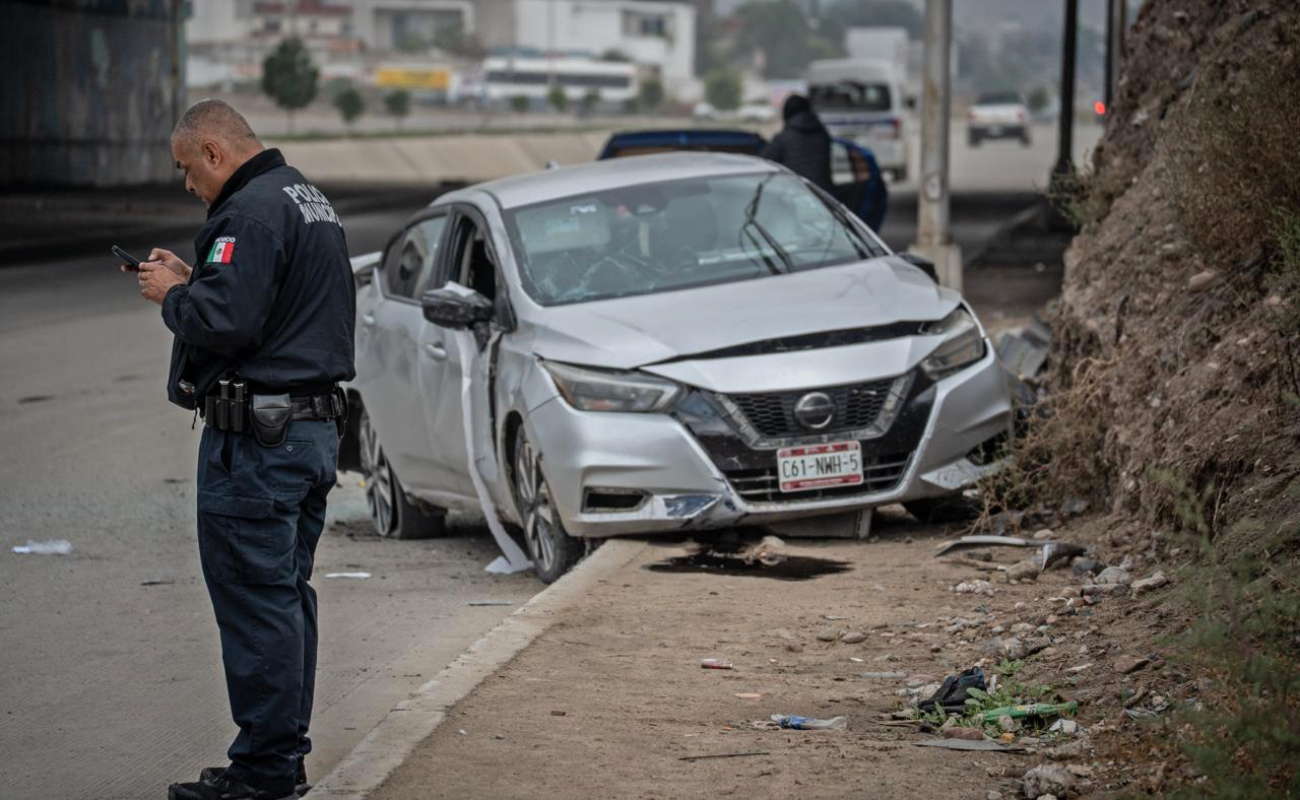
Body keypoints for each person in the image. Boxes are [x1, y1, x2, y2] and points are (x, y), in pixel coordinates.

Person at [131, 99, 355, 800]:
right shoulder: (305, 198)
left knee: (259, 606)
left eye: (186, 169)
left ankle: (264, 775)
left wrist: (173, 295)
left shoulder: (250, 211)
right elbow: (269, 310)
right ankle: (274, 760)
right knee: (282, 601)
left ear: (214, 154)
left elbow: (226, 321)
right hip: (306, 433)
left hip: (260, 445)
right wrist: (197, 279)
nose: (187, 185)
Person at [760, 94, 834, 193]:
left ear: (787, 113)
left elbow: (763, 162)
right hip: (824, 196)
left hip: (796, 195)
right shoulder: (822, 135)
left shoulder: (784, 138)